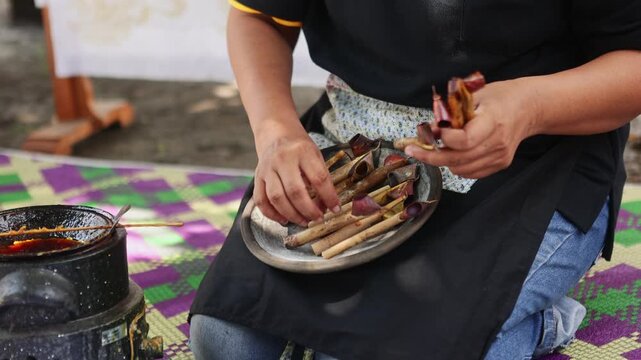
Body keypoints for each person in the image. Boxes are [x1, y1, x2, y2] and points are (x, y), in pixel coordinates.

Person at [190, 1, 641, 359]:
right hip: (357, 143)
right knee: (225, 341)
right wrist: (275, 132)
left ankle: (539, 321)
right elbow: (260, 16)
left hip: (531, 154)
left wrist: (530, 108)